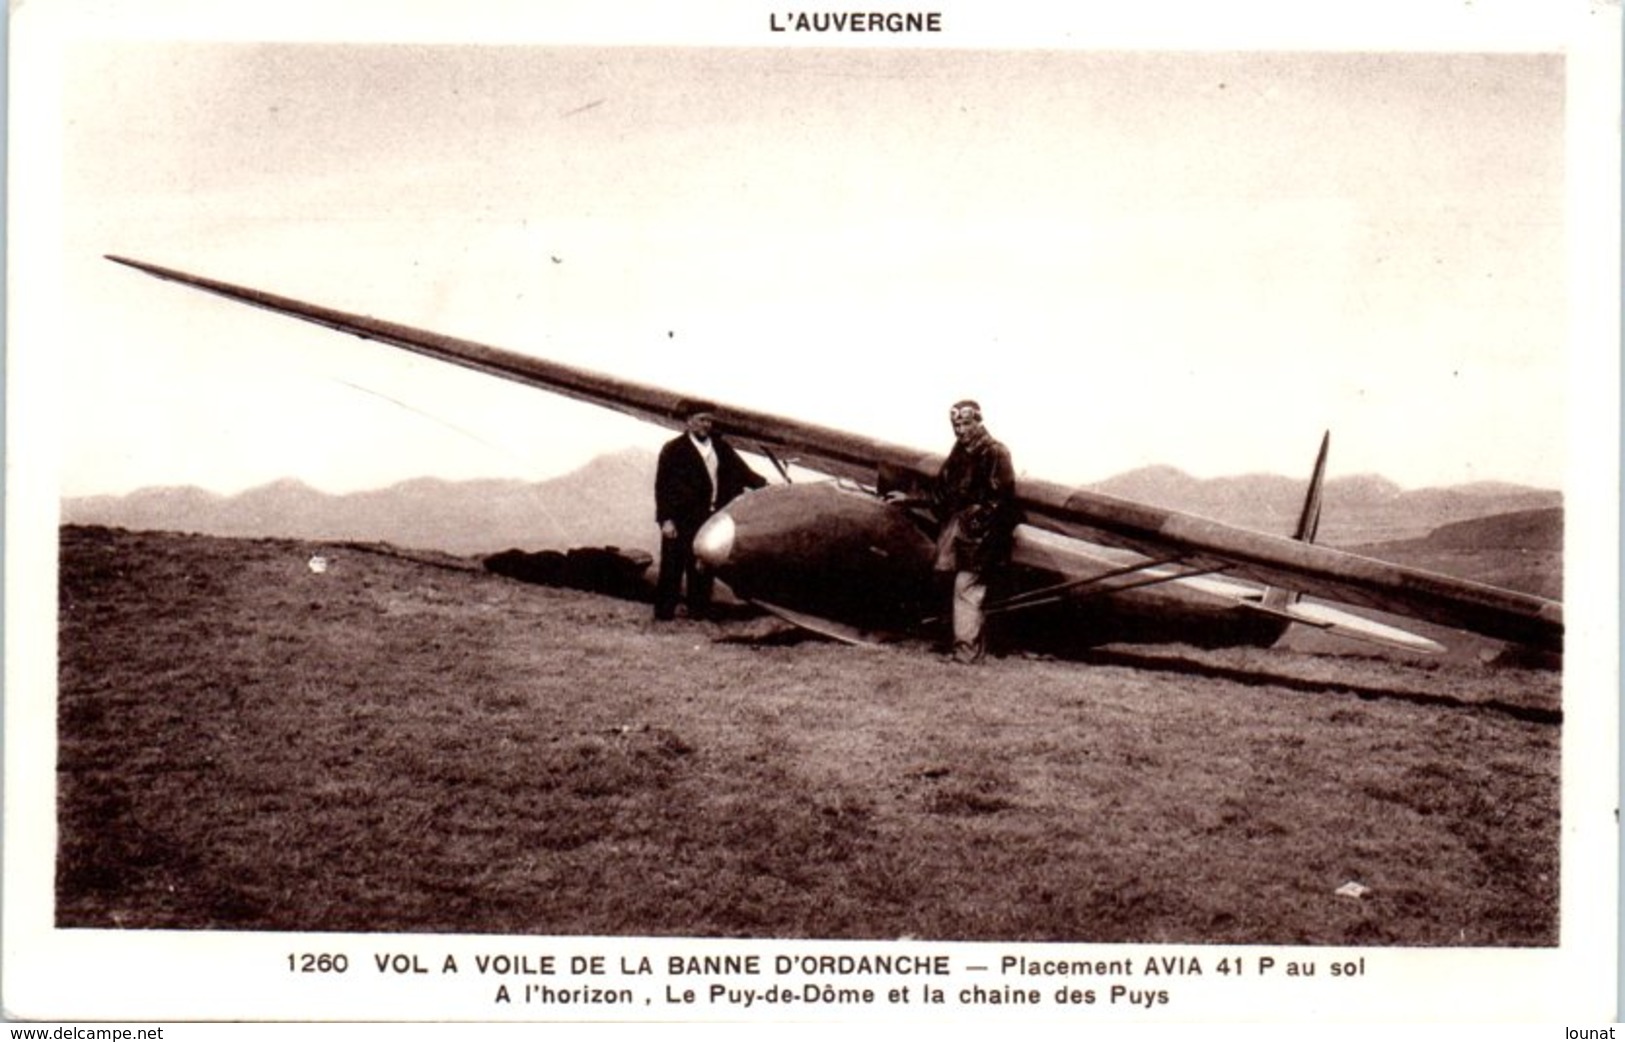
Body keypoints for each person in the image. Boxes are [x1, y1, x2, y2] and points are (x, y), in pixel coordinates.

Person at [653, 400, 766, 621]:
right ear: (689, 422)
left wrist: (767, 487)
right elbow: (662, 487)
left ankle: (699, 612)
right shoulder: (673, 449)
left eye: (709, 421)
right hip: (680, 519)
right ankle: (664, 614)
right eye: (702, 420)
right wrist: (665, 519)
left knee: (702, 568)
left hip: (709, 518)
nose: (706, 425)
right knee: (672, 567)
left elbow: (744, 473)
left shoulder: (720, 447)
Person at [927, 399, 1017, 663]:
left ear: (979, 421)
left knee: (967, 588)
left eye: (966, 423)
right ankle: (966, 646)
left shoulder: (996, 452)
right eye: (956, 424)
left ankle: (966, 654)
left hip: (980, 535)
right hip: (958, 531)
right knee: (952, 584)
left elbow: (1000, 499)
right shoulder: (959, 454)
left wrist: (977, 525)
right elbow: (941, 491)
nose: (961, 430)